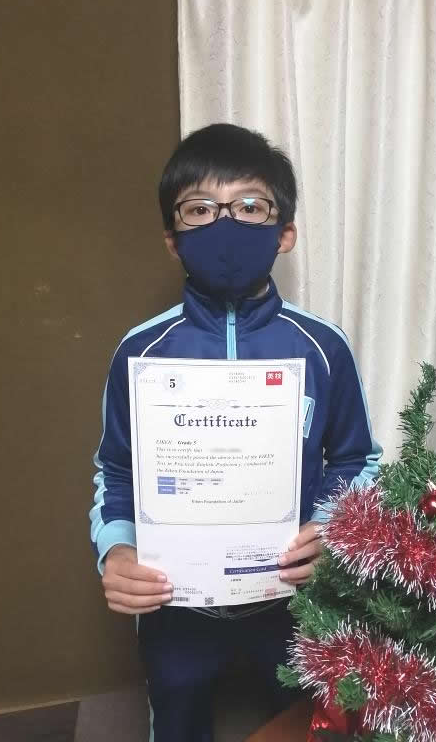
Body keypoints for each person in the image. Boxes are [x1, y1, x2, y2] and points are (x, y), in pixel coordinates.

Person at [89, 123, 382, 742]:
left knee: (302, 725)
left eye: (250, 206)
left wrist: (329, 529)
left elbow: (356, 458)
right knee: (177, 724)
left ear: (285, 233)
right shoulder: (141, 351)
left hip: (291, 599)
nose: (225, 223)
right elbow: (116, 467)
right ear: (172, 240)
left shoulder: (323, 347)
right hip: (176, 604)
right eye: (199, 209)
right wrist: (117, 549)